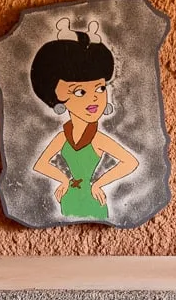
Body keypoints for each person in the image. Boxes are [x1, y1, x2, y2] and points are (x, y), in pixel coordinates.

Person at [29, 20, 140, 220]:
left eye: (100, 88)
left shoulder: (96, 138)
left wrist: (98, 183)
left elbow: (130, 162)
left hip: (92, 198)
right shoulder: (64, 136)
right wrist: (63, 180)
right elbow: (40, 164)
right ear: (57, 98)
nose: (94, 98)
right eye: (80, 91)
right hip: (69, 196)